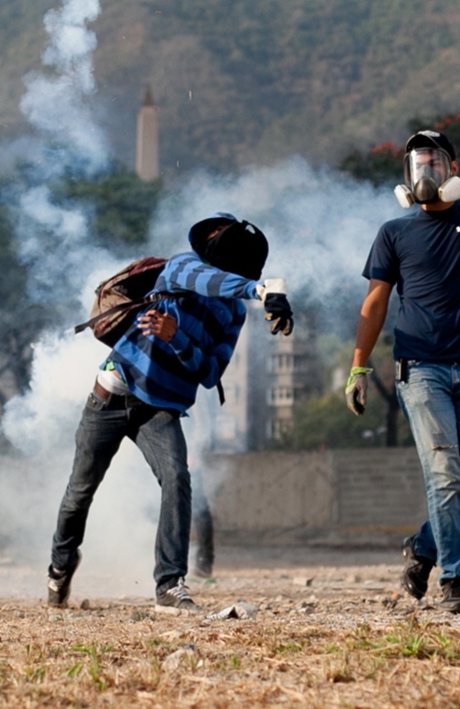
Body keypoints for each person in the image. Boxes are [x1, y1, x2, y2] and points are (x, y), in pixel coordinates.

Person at [46, 213, 290, 612]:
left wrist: (177, 339)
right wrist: (262, 290)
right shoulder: (183, 267)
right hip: (112, 394)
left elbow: (211, 372)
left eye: (220, 235)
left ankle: (170, 585)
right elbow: (209, 283)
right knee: (79, 492)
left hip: (159, 410)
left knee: (177, 479)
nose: (213, 238)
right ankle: (60, 565)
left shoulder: (234, 313)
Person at [345, 129, 460, 614]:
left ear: (452, 169)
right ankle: (455, 583)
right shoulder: (394, 233)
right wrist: (358, 368)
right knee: (444, 476)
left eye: (435, 163)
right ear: (406, 174)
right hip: (420, 371)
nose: (426, 172)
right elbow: (375, 303)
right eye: (418, 164)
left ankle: (423, 547)